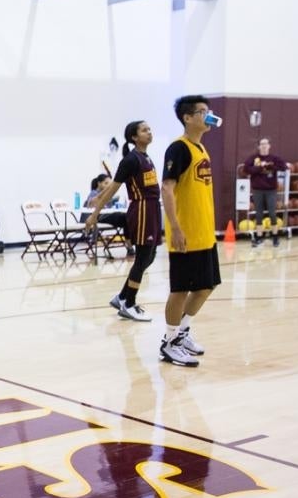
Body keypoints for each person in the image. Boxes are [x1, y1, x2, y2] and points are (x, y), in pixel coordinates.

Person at [158, 95, 223, 367]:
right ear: (188, 118)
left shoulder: (201, 149)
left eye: (209, 111)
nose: (208, 116)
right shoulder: (179, 148)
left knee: (207, 286)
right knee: (180, 290)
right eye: (202, 112)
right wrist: (175, 227)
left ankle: (182, 332)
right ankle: (169, 342)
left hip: (204, 233)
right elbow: (167, 188)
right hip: (185, 233)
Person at [86, 120, 161, 322]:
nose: (149, 132)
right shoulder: (130, 160)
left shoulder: (146, 157)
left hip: (153, 208)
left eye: (149, 129)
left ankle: (122, 297)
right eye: (144, 130)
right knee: (143, 257)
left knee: (151, 256)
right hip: (142, 209)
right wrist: (95, 214)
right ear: (134, 137)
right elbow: (112, 189)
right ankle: (129, 303)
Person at [242, 137, 288, 247]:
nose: (263, 146)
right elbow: (246, 169)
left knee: (272, 213)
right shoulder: (253, 158)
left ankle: (275, 237)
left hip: (271, 190)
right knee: (259, 214)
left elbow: (284, 167)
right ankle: (259, 237)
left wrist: (271, 166)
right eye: (261, 144)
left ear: (269, 146)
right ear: (259, 146)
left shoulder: (274, 158)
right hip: (258, 190)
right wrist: (259, 168)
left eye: (265, 144)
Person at [83, 174, 130, 255]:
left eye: (109, 184)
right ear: (99, 183)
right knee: (124, 217)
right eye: (106, 183)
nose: (108, 186)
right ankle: (129, 245)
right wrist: (109, 189)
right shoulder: (94, 193)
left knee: (126, 217)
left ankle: (130, 244)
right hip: (99, 217)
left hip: (107, 215)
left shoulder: (108, 195)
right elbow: (93, 203)